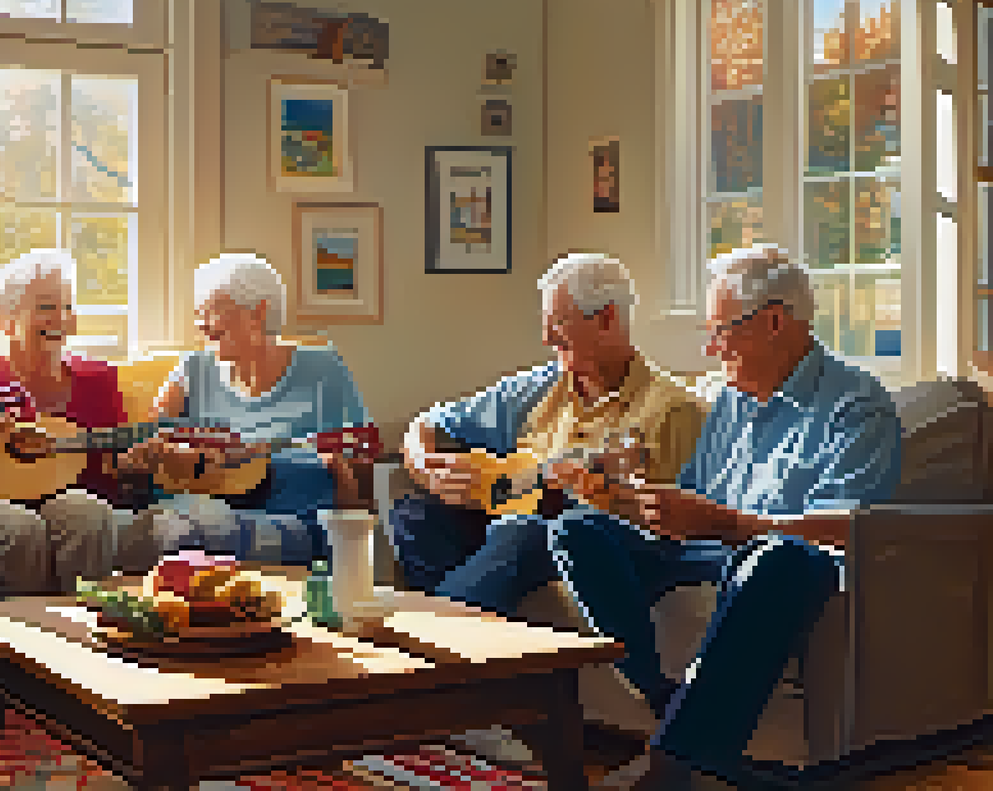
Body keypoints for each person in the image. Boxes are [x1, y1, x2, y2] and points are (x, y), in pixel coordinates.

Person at [548, 245, 903, 790]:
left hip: (788, 562)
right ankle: (671, 707)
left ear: (774, 322)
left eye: (721, 331)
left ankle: (673, 765)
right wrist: (646, 502)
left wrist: (732, 525)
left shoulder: (855, 405)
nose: (712, 349)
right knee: (576, 530)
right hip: (711, 551)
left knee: (779, 558)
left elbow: (847, 530)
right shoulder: (731, 402)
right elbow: (695, 498)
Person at [393, 253, 706, 619]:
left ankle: (437, 632)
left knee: (525, 531)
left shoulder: (674, 410)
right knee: (415, 516)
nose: (546, 337)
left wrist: (594, 490)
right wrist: (425, 464)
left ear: (607, 319)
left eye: (558, 323)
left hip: (584, 541)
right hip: (508, 524)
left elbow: (671, 522)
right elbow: (429, 422)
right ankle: (478, 646)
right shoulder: (541, 386)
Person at [120, 252, 372, 565]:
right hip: (196, 512)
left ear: (258, 312)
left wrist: (340, 476)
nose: (201, 325)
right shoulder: (193, 370)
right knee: (177, 522)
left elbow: (361, 465)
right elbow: (152, 444)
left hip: (289, 523)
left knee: (185, 528)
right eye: (199, 313)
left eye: (212, 311)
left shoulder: (322, 369)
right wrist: (155, 458)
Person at [0, 249, 137, 594]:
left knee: (90, 514)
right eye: (46, 307)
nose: (61, 318)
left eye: (68, 307)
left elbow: (118, 458)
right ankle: (20, 638)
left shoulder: (98, 378)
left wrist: (133, 461)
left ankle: (84, 628)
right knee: (19, 528)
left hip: (67, 492)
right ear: (5, 320)